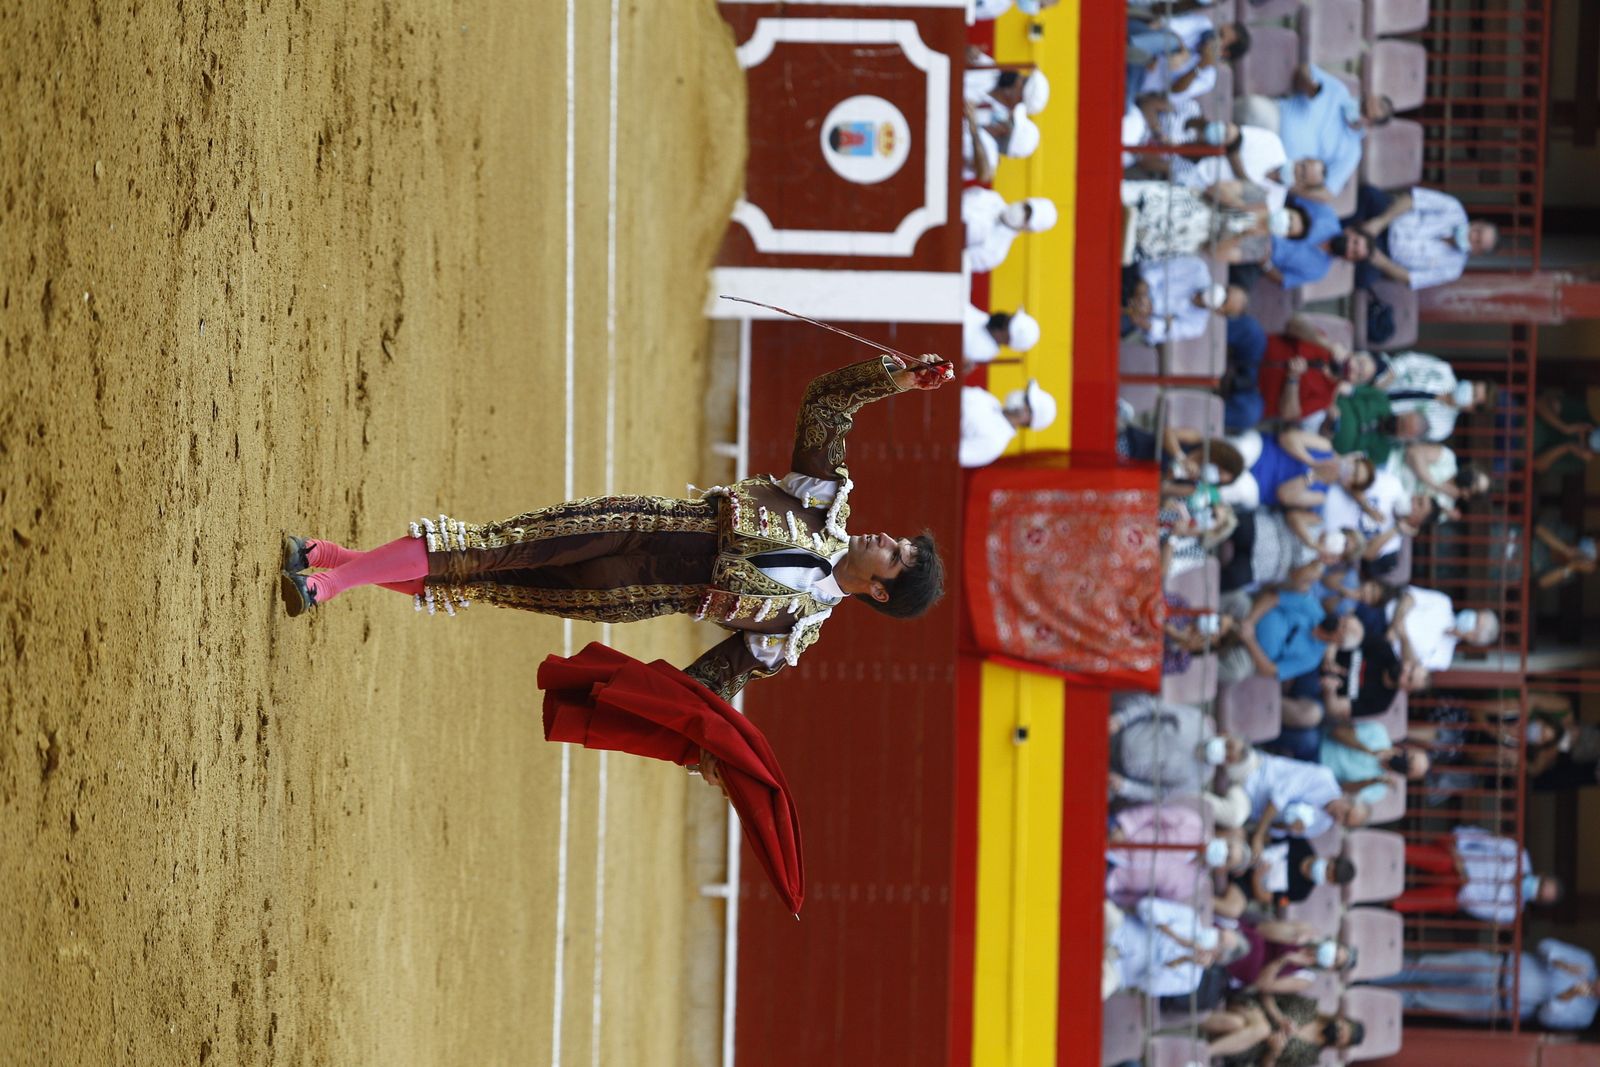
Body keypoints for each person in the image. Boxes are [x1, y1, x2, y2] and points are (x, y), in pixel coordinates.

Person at [279, 353, 951, 701]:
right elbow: (827, 402)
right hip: (630, 525)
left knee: (482, 582)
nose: (885, 538)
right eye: (899, 538)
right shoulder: (823, 501)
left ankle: (342, 559)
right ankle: (331, 582)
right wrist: (898, 378)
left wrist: (698, 742)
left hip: (621, 596)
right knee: (484, 550)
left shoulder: (792, 632)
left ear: (881, 591)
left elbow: (706, 685)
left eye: (896, 554)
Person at [1236, 62, 1393, 196]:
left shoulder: (1352, 152)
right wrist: (1309, 85)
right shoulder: (1339, 91)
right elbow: (1305, 68)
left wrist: (1293, 185)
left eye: (1364, 111)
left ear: (1370, 124)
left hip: (1282, 163)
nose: (1359, 106)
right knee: (1253, 109)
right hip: (1275, 119)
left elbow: (1328, 192)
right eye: (1364, 101)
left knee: (1254, 191)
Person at [1376, 940, 1598, 1030]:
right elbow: (1545, 945)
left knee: (1419, 1000)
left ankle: (1362, 995)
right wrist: (1562, 963)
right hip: (1494, 966)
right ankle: (1367, 972)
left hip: (1492, 1003)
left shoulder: (1585, 1015)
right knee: (1423, 967)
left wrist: (1567, 996)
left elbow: (1545, 1018)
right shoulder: (1586, 962)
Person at [1344, 184, 1498, 291]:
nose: (1473, 236)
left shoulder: (1453, 269)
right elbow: (1413, 199)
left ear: (1476, 252)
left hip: (1385, 255)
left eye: (1478, 242)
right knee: (1368, 195)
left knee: (1363, 278)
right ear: (1477, 223)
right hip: (1388, 217)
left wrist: (1375, 257)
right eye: (1478, 231)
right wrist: (1378, 223)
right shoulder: (1454, 208)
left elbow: (1411, 279)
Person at [1392, 825, 1561, 921]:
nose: (1535, 889)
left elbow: (1478, 909)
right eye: (1541, 885)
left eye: (1538, 894)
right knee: (1441, 860)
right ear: (1541, 875)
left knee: (1446, 899)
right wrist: (1458, 846)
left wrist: (1466, 883)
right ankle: (1388, 851)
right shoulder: (1520, 855)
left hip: (1461, 891)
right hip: (1458, 857)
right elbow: (1485, 840)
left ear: (1536, 901)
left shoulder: (1512, 911)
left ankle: (1392, 902)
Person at [1108, 692, 1250, 803]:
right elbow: (1152, 706)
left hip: (1117, 772)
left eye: (1228, 758)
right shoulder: (1196, 721)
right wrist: (1121, 719)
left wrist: (1125, 787)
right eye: (1228, 746)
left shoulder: (1201, 779)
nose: (1223, 753)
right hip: (1117, 732)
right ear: (1224, 734)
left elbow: (1160, 793)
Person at [1106, 802, 1246, 907]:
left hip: (1111, 879)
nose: (1223, 851)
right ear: (1224, 838)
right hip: (1114, 837)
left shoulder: (1191, 885)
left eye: (1227, 858)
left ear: (1223, 869)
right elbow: (1154, 813)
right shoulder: (1193, 823)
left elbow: (1149, 899)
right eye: (1228, 846)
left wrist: (1115, 895)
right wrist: (1124, 827)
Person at [1105, 896, 1244, 998]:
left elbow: (1148, 985)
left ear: (1217, 957)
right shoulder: (1190, 918)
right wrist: (1174, 935)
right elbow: (1145, 906)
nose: (1214, 935)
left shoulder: (1191, 981)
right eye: (1219, 933)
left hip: (1117, 970)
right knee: (1106, 910)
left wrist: (1184, 959)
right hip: (1119, 929)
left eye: (1219, 941)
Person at [1120, 179, 1280, 264]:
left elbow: (1215, 253)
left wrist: (1241, 235)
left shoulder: (1258, 248)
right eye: (1291, 219)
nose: (1286, 224)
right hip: (1174, 202)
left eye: (1289, 229)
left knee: (1118, 243)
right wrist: (1242, 207)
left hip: (1175, 240)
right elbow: (1213, 188)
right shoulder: (1259, 196)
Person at [1242, 750, 1369, 847]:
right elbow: (1279, 796)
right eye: (1346, 814)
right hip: (1255, 773)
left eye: (1344, 822)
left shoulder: (1322, 826)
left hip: (1247, 809)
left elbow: (1274, 828)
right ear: (1347, 798)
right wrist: (1258, 835)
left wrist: (1288, 826)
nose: (1340, 818)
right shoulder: (1324, 778)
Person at [1203, 991, 1365, 1066]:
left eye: (1343, 1037)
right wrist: (1279, 1017)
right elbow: (1267, 993)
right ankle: (1205, 1052)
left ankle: (1187, 1021)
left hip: (1251, 1048)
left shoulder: (1309, 1057)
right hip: (1254, 1009)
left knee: (1235, 1023)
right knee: (1263, 1029)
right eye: (1343, 1028)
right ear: (1341, 1020)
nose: (1340, 1032)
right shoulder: (1309, 1008)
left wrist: (1274, 1051)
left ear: (1340, 1045)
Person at [1126, 14, 1250, 105]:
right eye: (1218, 29)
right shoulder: (1203, 24)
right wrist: (1182, 51)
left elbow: (1174, 92)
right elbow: (1163, 26)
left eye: (1220, 35)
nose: (1214, 33)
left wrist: (1199, 67)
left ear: (1224, 52)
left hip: (1140, 77)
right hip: (1139, 37)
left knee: (1125, 109)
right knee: (1171, 42)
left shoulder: (1208, 78)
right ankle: (1123, 48)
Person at [1374, 351, 1495, 442]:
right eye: (1473, 385)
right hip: (1378, 377)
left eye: (1473, 395)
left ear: (1472, 409)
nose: (1469, 389)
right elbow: (1410, 360)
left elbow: (1405, 436)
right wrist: (1385, 381)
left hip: (1378, 417)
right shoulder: (1444, 371)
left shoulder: (1443, 427)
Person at [1123, 256, 1245, 345]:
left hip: (1135, 317)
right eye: (1226, 290)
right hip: (1136, 279)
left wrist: (1140, 319)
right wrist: (1141, 294)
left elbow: (1161, 330)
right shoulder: (1198, 268)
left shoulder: (1196, 326)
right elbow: (1156, 273)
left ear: (1220, 313)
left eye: (1224, 301)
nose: (1221, 294)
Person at [1385, 585, 1499, 671]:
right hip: (1382, 612)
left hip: (1384, 650)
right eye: (1476, 614)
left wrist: (1403, 637)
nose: (1472, 617)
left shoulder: (1444, 659)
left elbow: (1412, 664)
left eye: (1476, 622)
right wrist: (1396, 624)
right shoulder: (1444, 603)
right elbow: (1410, 597)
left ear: (1473, 638)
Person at [1318, 720, 1430, 807]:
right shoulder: (1379, 733)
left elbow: (1342, 789)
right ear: (1408, 749)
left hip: (1318, 776)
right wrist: (1367, 750)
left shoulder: (1378, 790)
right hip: (1317, 745)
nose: (1405, 764)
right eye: (1410, 759)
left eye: (1408, 769)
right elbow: (1337, 732)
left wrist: (1372, 781)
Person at [959, 379, 1057, 468]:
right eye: (1025, 392)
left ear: (1028, 418)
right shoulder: (989, 399)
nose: (1020, 394)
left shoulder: (994, 443)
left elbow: (950, 455)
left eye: (1025, 398)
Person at [962, 187, 1057, 273]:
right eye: (1026, 208)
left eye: (1027, 217)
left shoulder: (995, 252)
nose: (1022, 212)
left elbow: (956, 262)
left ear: (1028, 229)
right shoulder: (991, 197)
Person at [1532, 389, 1600, 478]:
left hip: (1515, 451)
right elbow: (1540, 403)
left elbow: (1536, 465)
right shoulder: (1582, 414)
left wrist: (1567, 447)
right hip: (1517, 416)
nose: (1585, 438)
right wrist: (1565, 427)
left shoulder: (1578, 462)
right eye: (1588, 435)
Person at [963, 304, 1041, 365]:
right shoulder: (986, 321)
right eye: (1010, 316)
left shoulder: (980, 349)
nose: (1003, 317)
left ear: (1008, 340)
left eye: (1007, 323)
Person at [1532, 518, 1598, 590]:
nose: (1592, 549)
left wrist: (1572, 566)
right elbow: (1538, 529)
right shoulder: (1568, 532)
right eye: (1595, 543)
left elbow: (1541, 582)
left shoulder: (1570, 573)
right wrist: (1565, 549)